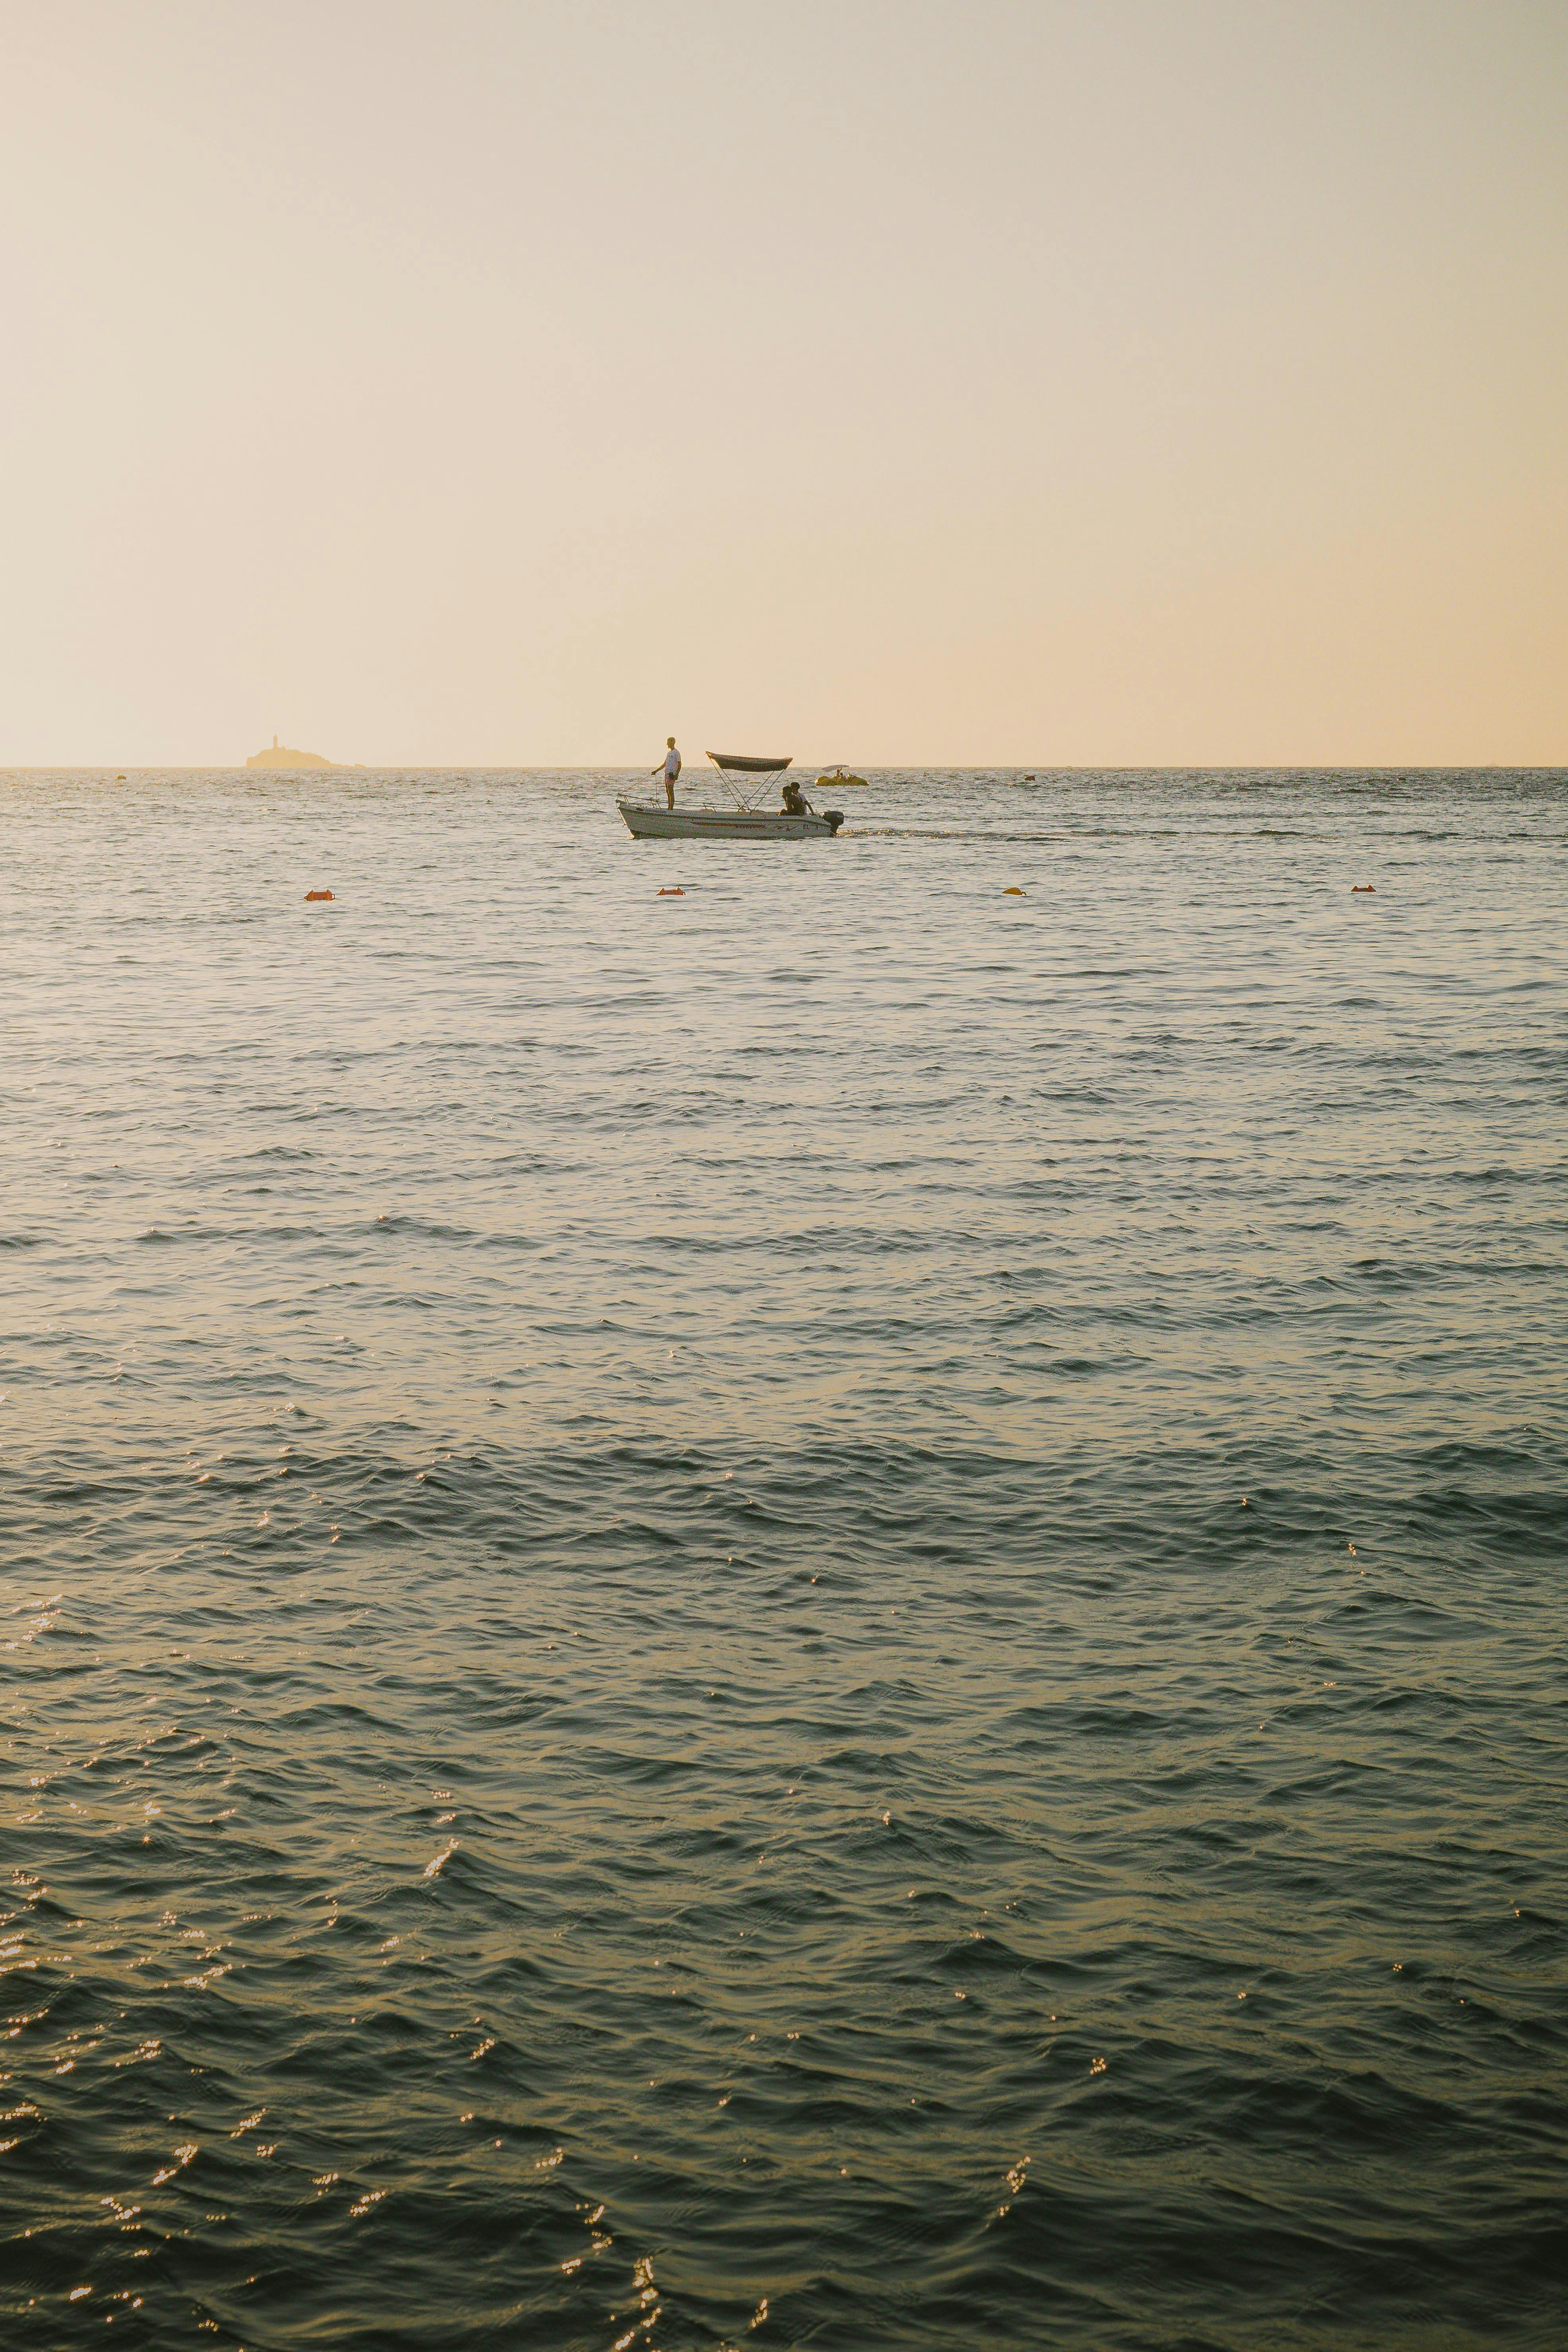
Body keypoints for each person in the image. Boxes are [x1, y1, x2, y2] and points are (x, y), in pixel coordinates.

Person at [652, 736, 681, 811]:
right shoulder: (669, 753)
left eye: (668, 742)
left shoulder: (676, 753)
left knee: (671, 791)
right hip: (667, 774)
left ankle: (671, 808)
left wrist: (676, 775)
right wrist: (656, 771)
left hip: (672, 774)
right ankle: (669, 807)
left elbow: (680, 764)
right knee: (668, 791)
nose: (667, 744)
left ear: (672, 743)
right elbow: (665, 764)